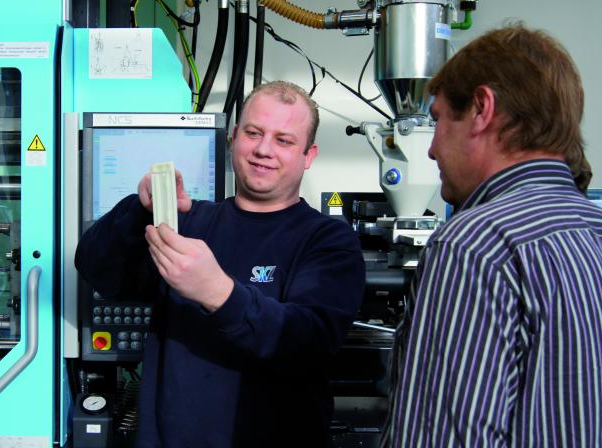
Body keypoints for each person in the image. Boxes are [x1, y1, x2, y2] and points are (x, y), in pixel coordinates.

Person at [75, 80, 365, 447]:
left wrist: (217, 292)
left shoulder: (329, 240)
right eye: (253, 133)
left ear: (309, 155)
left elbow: (309, 342)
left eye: (284, 140)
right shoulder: (188, 224)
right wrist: (140, 209)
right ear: (233, 138)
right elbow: (98, 269)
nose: (263, 149)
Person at [383, 24, 602, 447]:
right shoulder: (593, 229)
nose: (430, 149)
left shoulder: (474, 247)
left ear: (482, 109)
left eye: (438, 120)